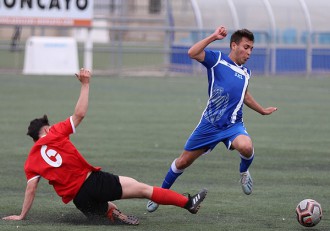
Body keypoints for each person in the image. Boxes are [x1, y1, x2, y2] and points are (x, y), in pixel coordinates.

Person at [2, 68, 208, 225]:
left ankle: (111, 212)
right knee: (143, 189)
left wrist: (21, 216)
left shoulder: (31, 161)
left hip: (79, 200)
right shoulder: (54, 133)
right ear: (46, 130)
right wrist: (85, 84)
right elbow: (79, 114)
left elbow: (31, 189)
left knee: (107, 208)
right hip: (92, 182)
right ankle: (188, 203)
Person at [147, 26, 277, 212]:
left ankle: (243, 172)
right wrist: (214, 37)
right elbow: (192, 52)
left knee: (246, 147)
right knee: (183, 162)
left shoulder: (246, 73)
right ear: (234, 45)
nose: (249, 52)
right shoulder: (217, 60)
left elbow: (244, 95)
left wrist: (262, 111)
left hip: (233, 125)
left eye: (251, 49)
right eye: (246, 47)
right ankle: (159, 194)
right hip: (209, 125)